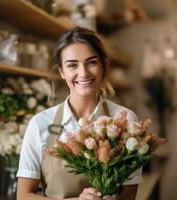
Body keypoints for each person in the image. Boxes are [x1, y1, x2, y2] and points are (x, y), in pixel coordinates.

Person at [17, 27, 142, 200]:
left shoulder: (126, 120)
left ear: (103, 66)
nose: (83, 73)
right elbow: (24, 196)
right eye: (72, 65)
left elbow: (129, 196)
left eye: (92, 62)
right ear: (62, 71)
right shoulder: (40, 124)